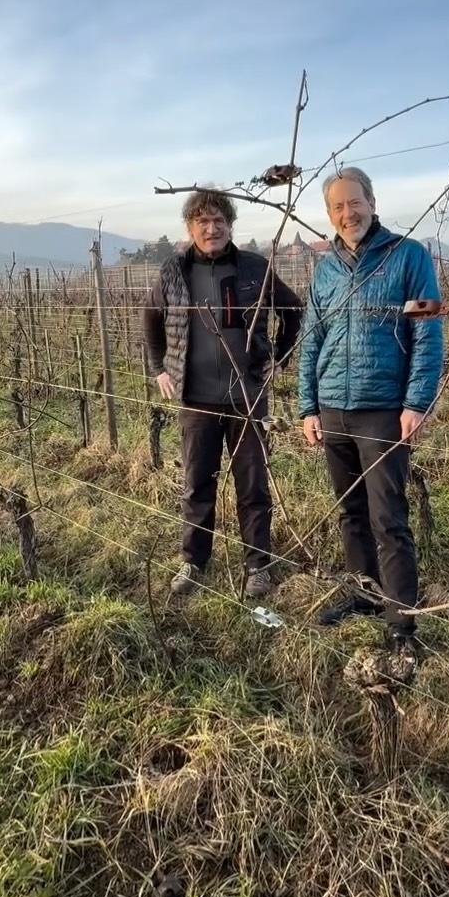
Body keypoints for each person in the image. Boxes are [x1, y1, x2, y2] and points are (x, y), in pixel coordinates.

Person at [298, 167, 444, 656]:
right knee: (350, 513)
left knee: (388, 517)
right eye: (337, 207)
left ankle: (402, 623)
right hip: (333, 409)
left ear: (373, 202)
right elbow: (311, 339)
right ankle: (364, 594)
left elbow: (428, 334)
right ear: (329, 215)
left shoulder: (408, 257)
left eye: (354, 203)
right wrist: (307, 406)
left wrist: (416, 402)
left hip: (383, 410)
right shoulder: (327, 270)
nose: (347, 214)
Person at [143, 189, 303, 599]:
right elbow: (150, 317)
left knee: (253, 485)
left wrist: (279, 358)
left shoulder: (254, 267)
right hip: (196, 398)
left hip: (247, 397)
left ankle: (257, 566)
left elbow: (292, 309)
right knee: (197, 483)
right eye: (203, 222)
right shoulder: (174, 272)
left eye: (219, 221)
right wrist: (159, 367)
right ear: (190, 227)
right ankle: (194, 560)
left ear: (230, 225)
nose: (211, 229)